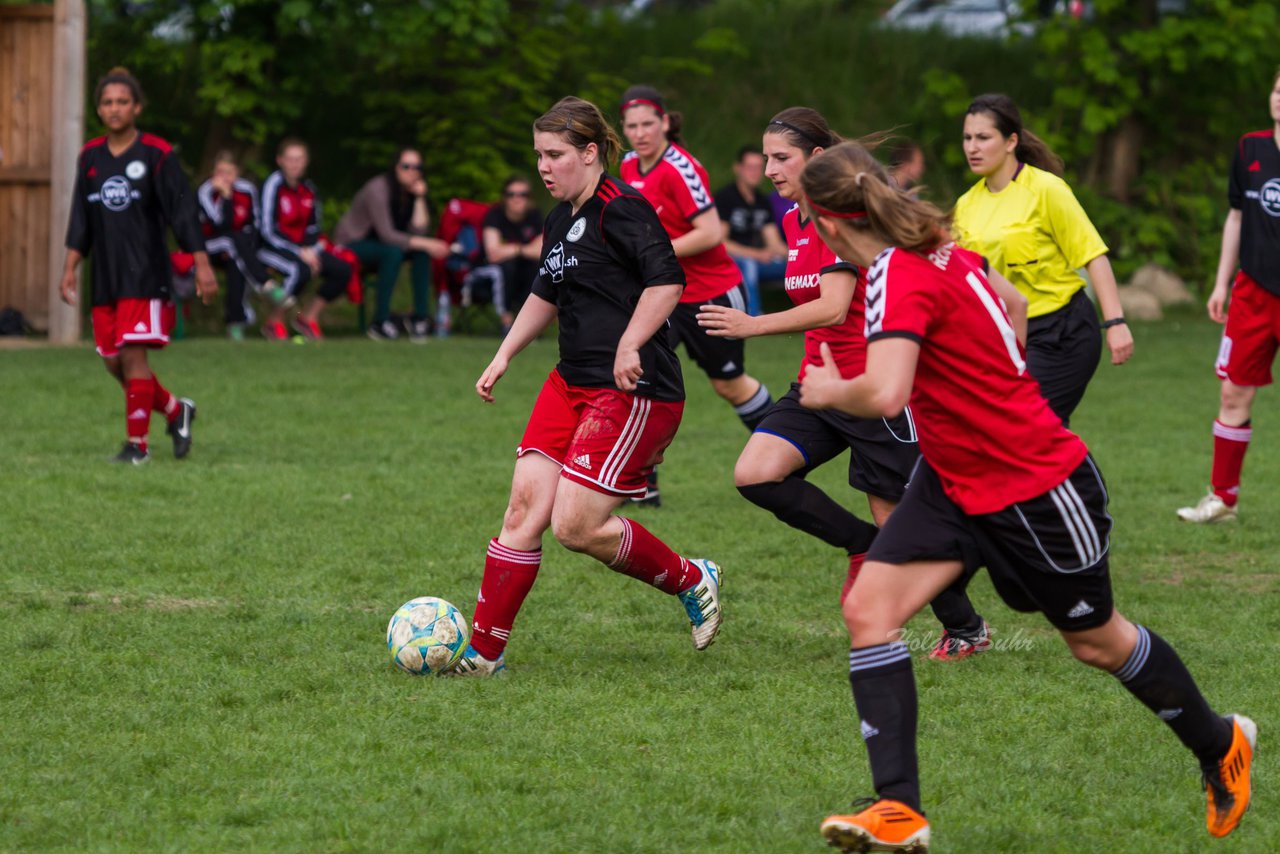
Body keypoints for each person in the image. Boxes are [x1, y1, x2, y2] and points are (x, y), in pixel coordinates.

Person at [795, 141, 1255, 852]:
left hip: (1036, 488)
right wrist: (979, 391)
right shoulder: (939, 243)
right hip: (954, 480)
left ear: (824, 224)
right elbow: (1012, 304)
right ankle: (899, 809)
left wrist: (829, 391)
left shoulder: (894, 271)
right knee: (869, 610)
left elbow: (883, 392)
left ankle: (1220, 742)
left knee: (1097, 643)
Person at [450, 96, 723, 677]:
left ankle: (692, 578)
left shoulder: (623, 209)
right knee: (523, 508)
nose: (544, 167)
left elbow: (667, 281)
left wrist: (629, 344)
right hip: (570, 382)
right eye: (539, 156)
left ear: (591, 152)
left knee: (575, 525)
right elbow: (544, 294)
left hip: (632, 389)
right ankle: (483, 655)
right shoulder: (559, 218)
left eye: (555, 155)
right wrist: (502, 356)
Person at [928, 93, 1136, 661]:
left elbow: (1092, 256)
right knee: (1009, 451)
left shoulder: (1046, 190)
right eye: (967, 138)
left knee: (1019, 444)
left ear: (1011, 140)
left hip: (1065, 334)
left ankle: (1074, 527)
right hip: (1006, 343)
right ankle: (1037, 550)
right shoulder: (967, 205)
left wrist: (1115, 321)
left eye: (983, 138)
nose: (972, 147)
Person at [697, 107, 918, 606]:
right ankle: (860, 545)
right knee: (755, 473)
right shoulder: (796, 218)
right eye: (766, 158)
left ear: (816, 158)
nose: (771, 169)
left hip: (868, 386)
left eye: (782, 158)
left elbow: (835, 307)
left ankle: (965, 628)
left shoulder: (836, 217)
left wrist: (753, 324)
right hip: (817, 386)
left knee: (900, 522)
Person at [619, 85, 774, 505]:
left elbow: (709, 233)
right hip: (666, 295)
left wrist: (652, 252)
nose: (640, 133)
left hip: (712, 295)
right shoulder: (629, 165)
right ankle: (642, 483)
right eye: (631, 126)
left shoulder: (680, 168)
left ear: (665, 122)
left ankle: (785, 447)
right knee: (639, 376)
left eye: (648, 123)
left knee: (730, 386)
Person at [59, 67, 214, 464]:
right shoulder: (90, 157)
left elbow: (183, 213)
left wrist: (201, 263)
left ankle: (137, 446)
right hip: (106, 275)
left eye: (122, 102)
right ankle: (177, 411)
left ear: (137, 107)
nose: (114, 109)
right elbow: (81, 217)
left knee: (133, 358)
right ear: (99, 109)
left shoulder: (157, 155)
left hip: (144, 272)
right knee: (113, 362)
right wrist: (70, 267)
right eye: (107, 102)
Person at [1177, 69, 1280, 523]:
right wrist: (1221, 283)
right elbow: (1236, 218)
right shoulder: (1249, 148)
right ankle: (1223, 500)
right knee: (1233, 393)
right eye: (1278, 90)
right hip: (1253, 293)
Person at [333, 148, 449, 342]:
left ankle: (420, 319)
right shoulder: (378, 189)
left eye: (417, 167)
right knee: (394, 252)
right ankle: (380, 321)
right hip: (352, 245)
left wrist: (420, 198)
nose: (412, 171)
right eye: (406, 166)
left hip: (385, 246)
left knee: (421, 254)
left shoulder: (410, 193)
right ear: (395, 168)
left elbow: (418, 231)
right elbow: (387, 235)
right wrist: (429, 243)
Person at [257, 138, 354, 340]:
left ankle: (307, 317)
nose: (294, 164)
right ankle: (273, 322)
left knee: (342, 269)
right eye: (290, 159)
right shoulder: (273, 185)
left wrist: (311, 251)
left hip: (304, 249)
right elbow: (267, 230)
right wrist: (300, 252)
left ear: (306, 162)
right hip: (270, 248)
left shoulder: (309, 188)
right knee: (299, 270)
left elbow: (314, 228)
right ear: (280, 160)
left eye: (299, 159)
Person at [197, 151, 284, 340]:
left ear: (237, 173)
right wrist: (226, 196)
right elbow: (220, 225)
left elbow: (254, 226)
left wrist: (246, 248)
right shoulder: (206, 192)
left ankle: (235, 323)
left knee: (237, 262)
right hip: (209, 246)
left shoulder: (247, 190)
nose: (225, 178)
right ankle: (265, 284)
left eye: (229, 173)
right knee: (231, 240)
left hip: (239, 249)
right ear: (213, 173)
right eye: (220, 172)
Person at [714, 145, 788, 316]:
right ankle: (752, 317)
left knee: (794, 266)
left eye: (758, 168)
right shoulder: (725, 198)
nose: (754, 172)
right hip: (731, 262)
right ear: (738, 168)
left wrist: (798, 256)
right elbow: (720, 242)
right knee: (748, 264)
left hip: (759, 261)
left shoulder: (763, 201)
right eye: (750, 167)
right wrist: (756, 254)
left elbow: (774, 243)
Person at [481, 175, 544, 332]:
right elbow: (493, 253)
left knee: (537, 267)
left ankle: (528, 324)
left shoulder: (535, 216)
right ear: (504, 198)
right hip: (490, 272)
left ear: (529, 198)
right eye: (511, 194)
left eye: (523, 194)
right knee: (506, 267)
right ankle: (507, 322)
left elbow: (541, 252)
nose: (517, 199)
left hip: (524, 272)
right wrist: (523, 249)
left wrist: (512, 249)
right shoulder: (494, 215)